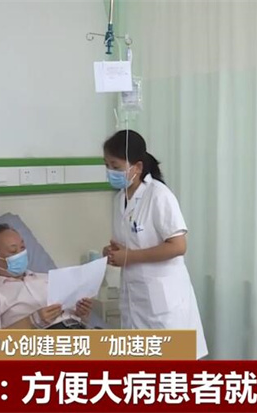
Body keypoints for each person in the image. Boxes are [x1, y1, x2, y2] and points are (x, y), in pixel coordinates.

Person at [102, 130, 208, 359]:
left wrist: (129, 257)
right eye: (107, 165)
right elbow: (129, 244)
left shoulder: (159, 195)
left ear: (137, 167)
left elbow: (178, 246)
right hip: (136, 300)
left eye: (115, 166)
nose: (110, 172)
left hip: (164, 306)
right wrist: (112, 252)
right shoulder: (120, 199)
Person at [0, 224, 93, 329]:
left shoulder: (47, 278)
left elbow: (79, 318)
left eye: (22, 248)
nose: (21, 254)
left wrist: (81, 313)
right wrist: (32, 321)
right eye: (13, 251)